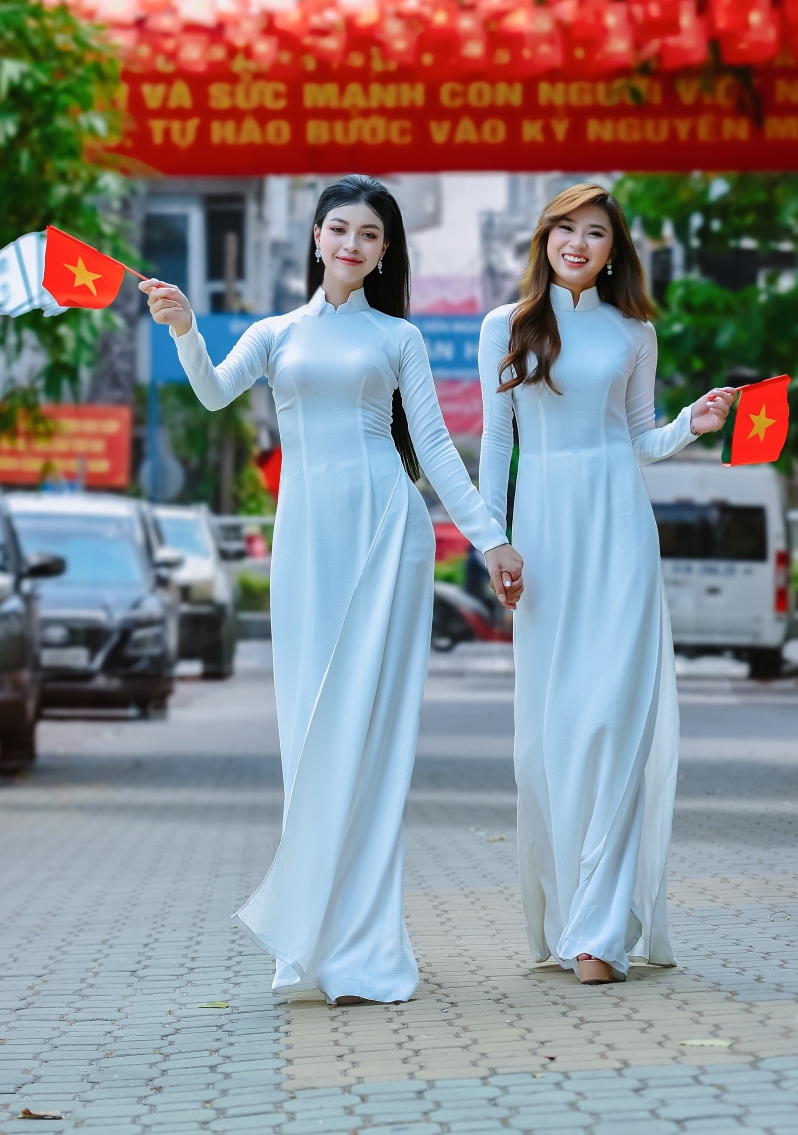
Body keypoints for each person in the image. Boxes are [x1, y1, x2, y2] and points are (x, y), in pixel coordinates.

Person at [141, 175, 523, 1006]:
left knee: (374, 741)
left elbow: (436, 450)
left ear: (385, 251)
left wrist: (490, 537)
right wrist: (184, 329)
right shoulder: (275, 333)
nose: (353, 243)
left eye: (370, 234)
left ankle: (363, 950)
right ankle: (307, 942)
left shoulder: (399, 337)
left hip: (387, 535)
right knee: (309, 733)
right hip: (307, 543)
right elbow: (213, 391)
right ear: (316, 237)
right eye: (340, 228)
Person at [477, 183, 733, 985]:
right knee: (549, 738)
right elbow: (496, 445)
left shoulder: (634, 332)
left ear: (614, 249)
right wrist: (494, 541)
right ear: (544, 239)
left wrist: (690, 423)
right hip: (544, 540)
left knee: (617, 721)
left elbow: (638, 438)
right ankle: (569, 914)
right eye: (566, 229)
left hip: (621, 531)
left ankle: (598, 934)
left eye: (596, 232)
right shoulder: (506, 326)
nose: (578, 244)